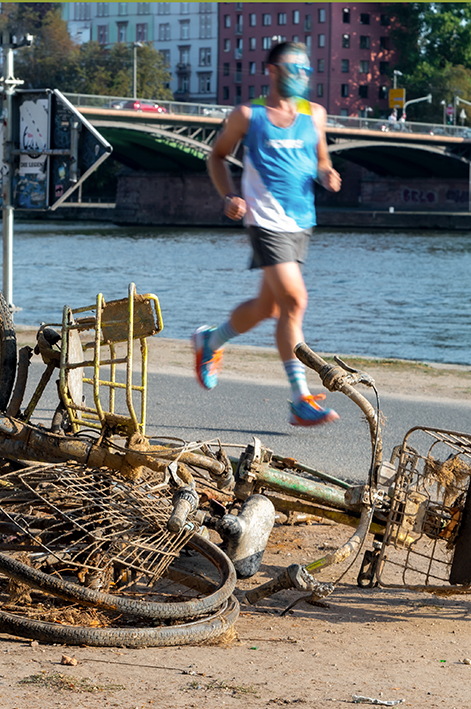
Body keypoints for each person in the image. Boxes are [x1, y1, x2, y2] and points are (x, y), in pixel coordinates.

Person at [193, 41, 342, 427]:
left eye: (306, 69)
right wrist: (229, 194)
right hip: (264, 220)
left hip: (300, 222)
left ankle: (210, 341)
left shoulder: (317, 115)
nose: (303, 75)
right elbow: (216, 156)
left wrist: (327, 174)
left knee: (269, 308)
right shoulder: (248, 115)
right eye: (295, 68)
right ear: (273, 71)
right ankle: (300, 397)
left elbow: (321, 158)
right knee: (295, 300)